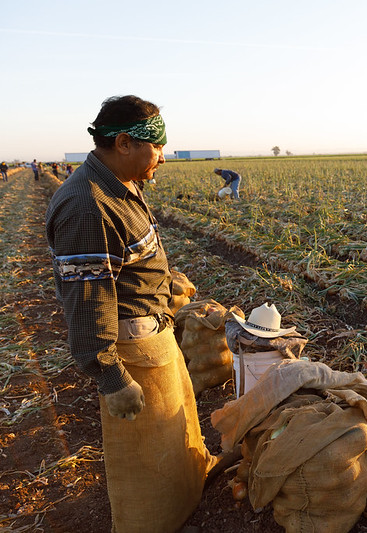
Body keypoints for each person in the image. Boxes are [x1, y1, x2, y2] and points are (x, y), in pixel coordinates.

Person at [45, 95, 217, 532]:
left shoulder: (122, 185)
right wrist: (110, 375)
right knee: (148, 458)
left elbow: (120, 262)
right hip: (133, 349)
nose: (162, 156)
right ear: (123, 142)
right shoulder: (88, 205)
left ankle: (187, 497)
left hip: (154, 336)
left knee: (174, 440)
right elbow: (87, 301)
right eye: (156, 146)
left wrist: (163, 279)